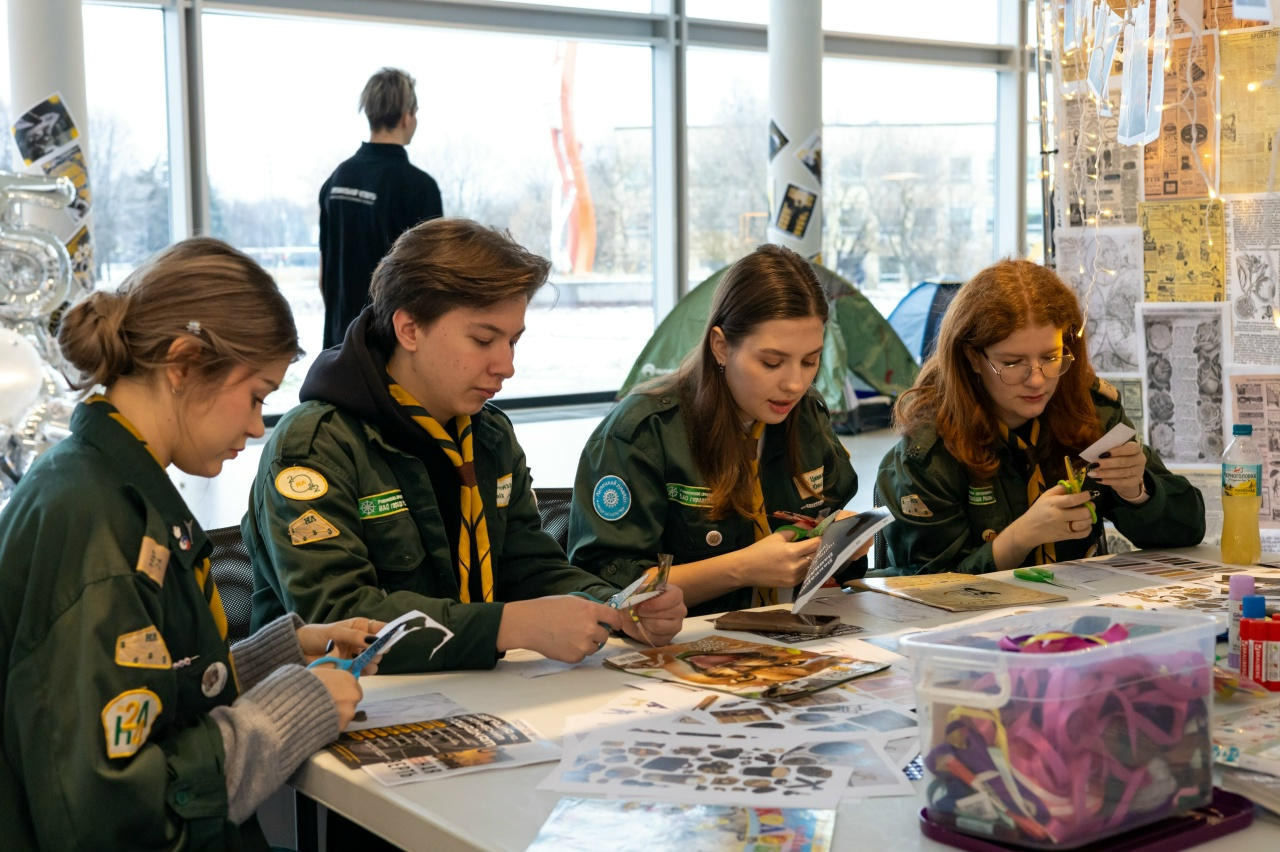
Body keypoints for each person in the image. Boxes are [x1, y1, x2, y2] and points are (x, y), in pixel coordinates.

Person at [0, 238, 382, 850]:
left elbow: (142, 692)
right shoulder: (98, 523)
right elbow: (116, 809)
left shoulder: (100, 481)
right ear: (182, 363)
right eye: (255, 396)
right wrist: (290, 712)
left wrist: (274, 657)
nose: (257, 426)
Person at [244, 218, 685, 673]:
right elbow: (338, 618)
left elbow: (529, 566)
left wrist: (617, 606)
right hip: (342, 698)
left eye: (513, 341)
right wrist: (506, 627)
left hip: (473, 688)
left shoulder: (488, 435)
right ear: (409, 329)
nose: (506, 366)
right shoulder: (316, 446)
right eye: (483, 339)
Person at [567, 244, 861, 617]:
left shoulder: (806, 416)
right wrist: (741, 569)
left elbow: (832, 538)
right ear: (721, 347)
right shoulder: (643, 432)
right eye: (772, 363)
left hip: (794, 633)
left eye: (810, 361)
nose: (794, 384)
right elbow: (609, 591)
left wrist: (842, 543)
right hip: (682, 640)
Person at [876, 259, 1205, 575]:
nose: (1036, 380)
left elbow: (1189, 530)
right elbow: (922, 586)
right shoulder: (928, 451)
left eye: (1050, 357)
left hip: (1082, 606)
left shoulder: (1090, 411)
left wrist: (1139, 491)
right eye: (1011, 362)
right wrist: (1018, 539)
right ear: (973, 358)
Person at [319, 67, 443, 349]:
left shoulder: (336, 180)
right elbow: (432, 284)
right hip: (388, 348)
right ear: (406, 116)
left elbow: (325, 277)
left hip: (338, 347)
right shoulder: (418, 187)